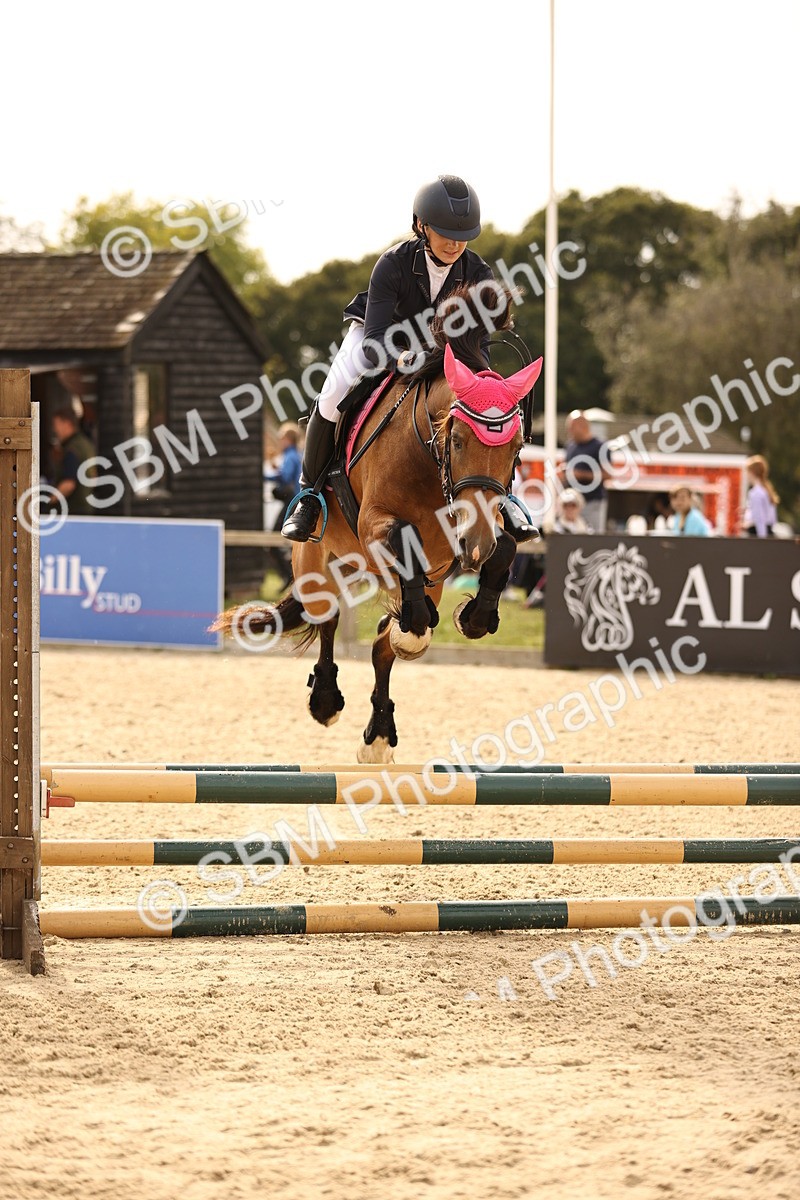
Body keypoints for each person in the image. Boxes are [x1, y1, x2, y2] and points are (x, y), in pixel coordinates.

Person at [281, 175, 496, 542]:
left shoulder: (478, 274)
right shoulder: (393, 264)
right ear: (420, 226)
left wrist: (481, 382)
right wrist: (408, 359)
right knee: (332, 396)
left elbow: (480, 344)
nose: (455, 243)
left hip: (438, 349)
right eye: (445, 232)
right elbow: (375, 340)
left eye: (463, 236)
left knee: (490, 410)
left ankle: (504, 502)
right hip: (379, 338)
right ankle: (309, 496)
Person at [558, 411, 610, 533]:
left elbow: (607, 475)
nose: (569, 432)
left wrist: (580, 474)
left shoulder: (600, 446)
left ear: (582, 426)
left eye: (571, 428)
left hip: (592, 502)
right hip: (572, 506)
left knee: (593, 539)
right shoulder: (571, 446)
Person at [49, 405, 96, 514]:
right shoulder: (85, 444)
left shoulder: (72, 448)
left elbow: (68, 484)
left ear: (67, 423)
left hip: (73, 511)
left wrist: (48, 502)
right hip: (86, 508)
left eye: (56, 424)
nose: (55, 429)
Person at [743, 454, 779, 537]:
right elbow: (773, 519)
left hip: (757, 533)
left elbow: (759, 519)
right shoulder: (766, 490)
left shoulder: (756, 493)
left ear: (752, 472)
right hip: (768, 531)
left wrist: (762, 540)